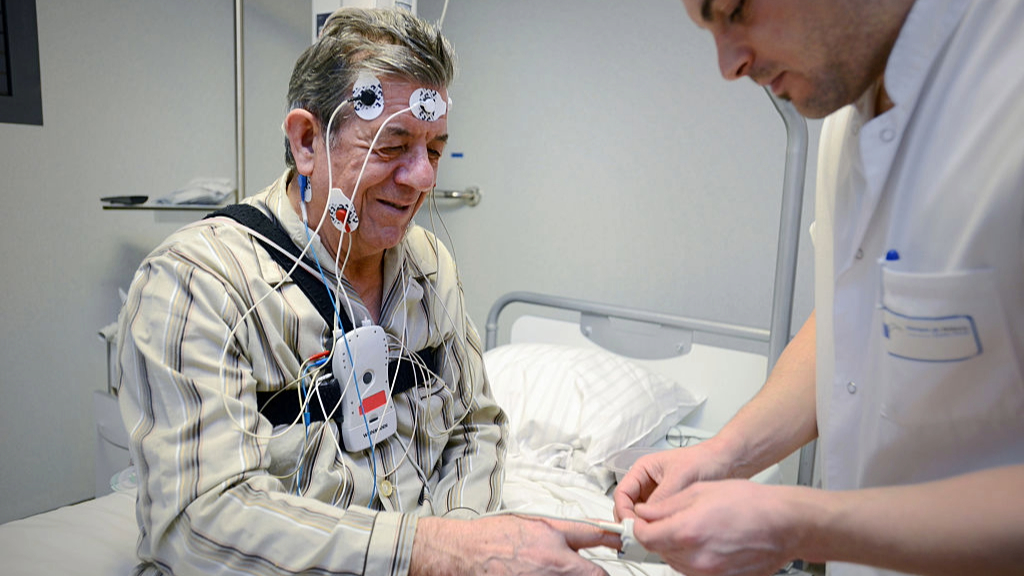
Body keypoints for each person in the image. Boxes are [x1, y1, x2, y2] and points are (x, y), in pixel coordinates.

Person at [117, 8, 615, 576]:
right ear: (307, 142)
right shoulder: (199, 282)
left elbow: (477, 427)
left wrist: (458, 543)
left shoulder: (428, 268)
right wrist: (434, 553)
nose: (424, 178)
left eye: (433, 149)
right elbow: (200, 522)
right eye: (390, 146)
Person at [612, 1, 1024, 575]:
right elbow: (855, 315)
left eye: (735, 11)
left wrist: (797, 522)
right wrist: (723, 455)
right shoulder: (845, 109)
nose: (729, 65)